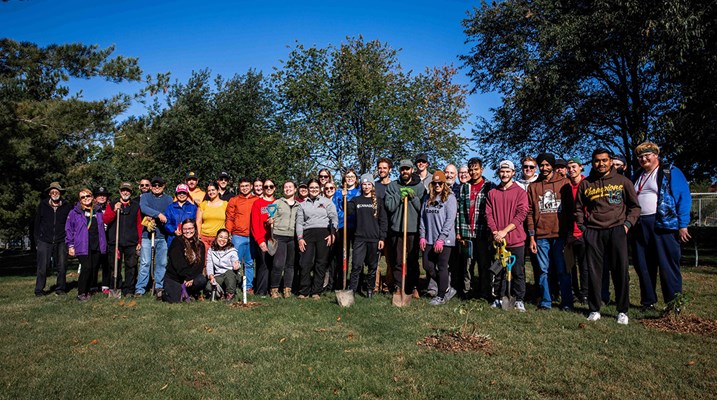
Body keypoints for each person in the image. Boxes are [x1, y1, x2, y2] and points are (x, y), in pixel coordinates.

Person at [575, 148, 640, 325]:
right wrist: (583, 228)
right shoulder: (586, 184)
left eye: (604, 160)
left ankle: (622, 311)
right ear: (592, 162)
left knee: (620, 271)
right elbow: (579, 208)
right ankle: (594, 309)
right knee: (594, 272)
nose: (601, 164)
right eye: (597, 161)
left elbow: (635, 207)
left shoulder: (622, 181)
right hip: (593, 231)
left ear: (610, 161)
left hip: (617, 230)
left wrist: (627, 225)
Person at [632, 141, 692, 310]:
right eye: (640, 156)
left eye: (647, 155)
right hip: (640, 225)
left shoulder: (669, 172)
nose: (643, 159)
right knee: (643, 264)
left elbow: (684, 198)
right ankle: (648, 301)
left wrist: (683, 225)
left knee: (667, 264)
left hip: (664, 224)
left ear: (656, 155)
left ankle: (673, 303)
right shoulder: (637, 175)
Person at [527, 153, 573, 310]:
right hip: (541, 236)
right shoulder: (533, 186)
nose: (544, 168)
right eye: (542, 165)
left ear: (552, 166)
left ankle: (567, 302)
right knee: (543, 271)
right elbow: (530, 213)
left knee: (563, 270)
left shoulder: (564, 183)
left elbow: (571, 209)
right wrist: (532, 237)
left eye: (547, 165)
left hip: (560, 235)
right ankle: (546, 301)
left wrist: (569, 234)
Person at [485, 161, 529, 311]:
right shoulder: (492, 193)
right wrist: (495, 232)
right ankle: (498, 297)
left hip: (515, 240)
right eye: (502, 171)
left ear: (513, 173)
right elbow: (488, 214)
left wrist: (505, 231)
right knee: (499, 271)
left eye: (507, 171)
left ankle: (519, 299)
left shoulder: (520, 192)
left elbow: (521, 214)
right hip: (498, 240)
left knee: (517, 271)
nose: (504, 174)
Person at [385, 159, 426, 297]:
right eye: (402, 169)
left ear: (412, 170)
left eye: (407, 169)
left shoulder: (420, 187)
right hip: (397, 229)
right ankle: (398, 286)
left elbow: (422, 208)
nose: (405, 172)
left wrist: (413, 198)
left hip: (413, 229)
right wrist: (399, 196)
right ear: (399, 170)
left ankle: (413, 286)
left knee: (413, 260)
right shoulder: (393, 186)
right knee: (398, 259)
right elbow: (389, 207)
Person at [456, 157, 495, 299]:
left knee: (484, 264)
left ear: (482, 170)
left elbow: (493, 211)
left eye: (476, 169)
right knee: (467, 265)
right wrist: (459, 231)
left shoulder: (489, 186)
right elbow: (459, 210)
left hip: (483, 232)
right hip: (467, 232)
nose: (473, 172)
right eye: (471, 169)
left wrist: (492, 231)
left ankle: (485, 292)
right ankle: (467, 291)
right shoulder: (465, 187)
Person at [420, 171, 458, 305]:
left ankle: (441, 295)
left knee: (442, 266)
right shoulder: (427, 199)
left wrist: (441, 239)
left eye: (440, 183)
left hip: (445, 240)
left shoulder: (450, 198)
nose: (437, 185)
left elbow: (449, 220)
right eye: (435, 183)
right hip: (429, 238)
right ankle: (446, 287)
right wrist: (422, 237)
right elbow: (422, 219)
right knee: (427, 265)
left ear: (444, 184)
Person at [347, 174, 388, 298]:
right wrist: (345, 199)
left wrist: (382, 238)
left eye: (368, 184)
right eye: (364, 184)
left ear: (372, 186)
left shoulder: (378, 201)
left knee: (372, 266)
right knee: (356, 265)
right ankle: (352, 290)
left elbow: (383, 221)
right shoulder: (356, 200)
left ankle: (370, 290)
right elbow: (349, 212)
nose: (366, 186)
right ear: (361, 185)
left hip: (374, 238)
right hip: (359, 238)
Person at [296, 179, 338, 298]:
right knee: (305, 263)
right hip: (307, 234)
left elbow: (334, 218)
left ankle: (316, 291)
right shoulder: (302, 204)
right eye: (311, 188)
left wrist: (332, 233)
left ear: (320, 189)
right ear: (308, 189)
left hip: (323, 234)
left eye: (316, 187)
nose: (314, 190)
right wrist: (300, 238)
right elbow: (299, 222)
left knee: (320, 263)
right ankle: (304, 290)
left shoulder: (327, 202)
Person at [65, 189, 107, 301]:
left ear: (92, 197)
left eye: (88, 196)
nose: (86, 198)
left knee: (93, 268)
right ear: (80, 200)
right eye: (82, 197)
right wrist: (70, 245)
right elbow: (69, 229)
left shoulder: (98, 211)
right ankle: (81, 292)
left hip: (96, 243)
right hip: (82, 244)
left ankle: (88, 290)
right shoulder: (74, 212)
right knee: (86, 267)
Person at [102, 182, 142, 296]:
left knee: (131, 266)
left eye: (128, 191)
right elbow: (106, 220)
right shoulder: (113, 204)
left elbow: (139, 224)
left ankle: (129, 289)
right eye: (123, 190)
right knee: (114, 266)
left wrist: (139, 241)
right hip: (115, 242)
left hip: (131, 242)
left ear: (131, 192)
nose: (125, 192)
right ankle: (115, 286)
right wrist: (115, 210)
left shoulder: (135, 206)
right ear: (120, 191)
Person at [136, 176, 173, 297]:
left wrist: (162, 218)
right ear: (151, 187)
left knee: (161, 263)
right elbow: (144, 208)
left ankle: (159, 287)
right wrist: (157, 214)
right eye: (154, 185)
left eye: (159, 185)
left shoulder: (168, 199)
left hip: (162, 236)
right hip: (147, 235)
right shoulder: (145, 197)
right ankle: (140, 289)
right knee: (145, 262)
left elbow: (169, 214)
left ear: (163, 186)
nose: (157, 187)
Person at [34, 182, 72, 296]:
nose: (55, 193)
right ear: (49, 193)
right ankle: (39, 290)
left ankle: (60, 288)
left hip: (61, 240)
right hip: (44, 240)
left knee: (62, 266)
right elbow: (36, 224)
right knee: (43, 267)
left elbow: (71, 223)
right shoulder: (43, 205)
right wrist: (37, 240)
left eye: (57, 191)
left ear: (60, 193)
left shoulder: (67, 206)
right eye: (53, 192)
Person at [225, 177, 258, 294]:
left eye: (247, 186)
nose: (244, 188)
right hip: (238, 236)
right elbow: (230, 217)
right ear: (239, 187)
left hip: (253, 236)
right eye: (242, 186)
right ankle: (232, 286)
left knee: (249, 263)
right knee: (235, 262)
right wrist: (228, 232)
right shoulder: (234, 200)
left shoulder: (256, 200)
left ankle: (248, 287)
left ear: (251, 187)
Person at [328, 169, 360, 290]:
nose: (350, 178)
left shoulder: (359, 192)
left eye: (352, 176)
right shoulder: (338, 193)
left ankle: (355, 284)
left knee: (357, 257)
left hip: (356, 226)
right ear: (344, 179)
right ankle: (340, 283)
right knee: (342, 255)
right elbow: (335, 209)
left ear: (356, 179)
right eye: (348, 176)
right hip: (342, 227)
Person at [163, 219, 207, 303]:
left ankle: (191, 292)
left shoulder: (200, 245)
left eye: (190, 228)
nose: (188, 231)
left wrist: (191, 278)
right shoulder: (177, 242)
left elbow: (199, 265)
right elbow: (178, 264)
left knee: (201, 280)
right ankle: (166, 293)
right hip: (175, 277)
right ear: (182, 230)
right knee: (175, 300)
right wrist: (187, 277)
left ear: (195, 229)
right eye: (185, 229)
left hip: (191, 277)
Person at [269, 181, 300, 298]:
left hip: (292, 237)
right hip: (279, 235)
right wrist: (270, 221)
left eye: (290, 187)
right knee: (278, 264)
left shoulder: (299, 205)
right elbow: (270, 216)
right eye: (285, 187)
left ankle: (287, 289)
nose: (288, 189)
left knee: (290, 265)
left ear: (295, 189)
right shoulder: (277, 203)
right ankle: (274, 289)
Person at [564, 158, 588, 303]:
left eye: (574, 167)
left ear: (581, 167)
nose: (571, 170)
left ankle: (585, 293)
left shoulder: (587, 184)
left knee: (585, 265)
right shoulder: (566, 187)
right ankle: (573, 291)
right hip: (570, 231)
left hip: (584, 231)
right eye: (569, 167)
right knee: (570, 265)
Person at [250, 178, 277, 296]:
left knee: (275, 264)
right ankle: (261, 290)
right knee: (263, 264)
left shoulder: (278, 202)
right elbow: (254, 224)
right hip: (262, 238)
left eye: (271, 186)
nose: (269, 188)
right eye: (266, 187)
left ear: (275, 188)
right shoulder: (258, 203)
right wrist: (260, 241)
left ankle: (274, 289)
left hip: (275, 238)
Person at [205, 228, 240, 301]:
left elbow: (235, 261)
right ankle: (221, 293)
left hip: (230, 273)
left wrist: (236, 265)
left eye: (225, 238)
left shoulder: (232, 250)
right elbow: (209, 264)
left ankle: (230, 294)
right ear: (216, 237)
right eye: (221, 237)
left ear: (228, 240)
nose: (222, 240)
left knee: (229, 274)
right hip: (218, 274)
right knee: (208, 288)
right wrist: (211, 277)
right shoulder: (211, 250)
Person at [196, 181, 228, 257]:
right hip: (204, 238)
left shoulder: (225, 204)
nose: (211, 192)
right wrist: (199, 235)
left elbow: (229, 220)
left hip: (219, 239)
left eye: (213, 190)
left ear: (218, 190)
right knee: (205, 262)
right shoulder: (203, 204)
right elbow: (198, 221)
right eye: (209, 190)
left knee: (218, 261)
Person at [93, 186, 111, 294]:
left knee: (107, 264)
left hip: (108, 239)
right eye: (99, 195)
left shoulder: (110, 207)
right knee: (94, 264)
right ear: (95, 198)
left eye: (104, 195)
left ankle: (105, 285)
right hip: (96, 240)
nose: (102, 197)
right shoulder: (92, 208)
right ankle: (93, 285)